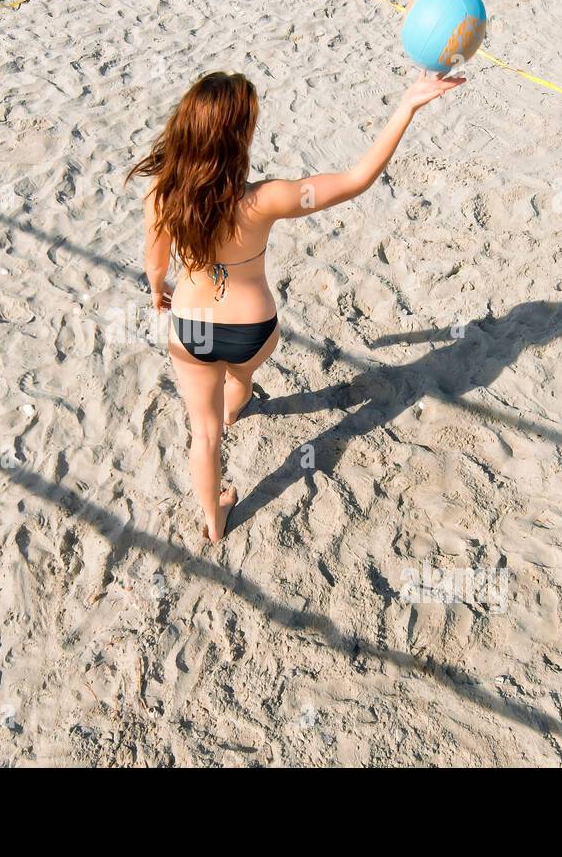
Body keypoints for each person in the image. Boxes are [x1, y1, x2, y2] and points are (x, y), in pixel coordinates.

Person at [128, 69, 465, 542]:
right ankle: (236, 403)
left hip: (194, 327)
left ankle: (213, 520)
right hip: (251, 330)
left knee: (203, 435)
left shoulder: (161, 194)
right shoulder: (264, 199)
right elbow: (356, 180)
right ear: (237, 139)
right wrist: (406, 106)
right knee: (240, 379)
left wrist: (157, 287)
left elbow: (154, 261)